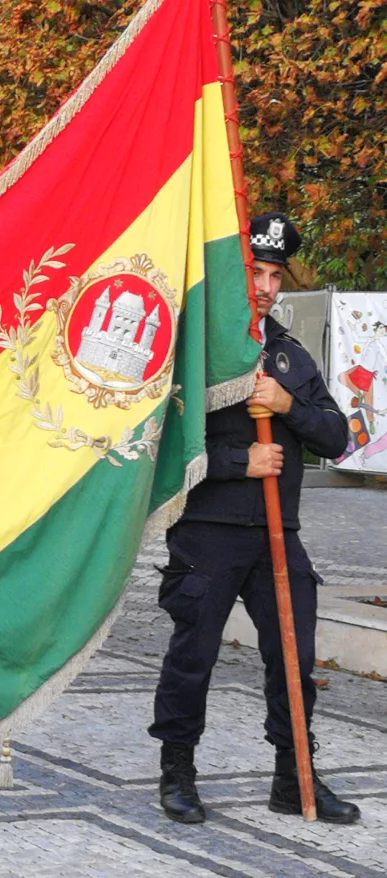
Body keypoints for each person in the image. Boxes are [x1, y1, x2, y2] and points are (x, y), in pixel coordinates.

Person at [150, 212, 359, 825]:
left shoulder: (289, 357)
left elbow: (336, 436)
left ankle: (294, 779)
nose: (265, 286)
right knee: (194, 655)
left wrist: (286, 403)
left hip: (278, 537)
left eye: (274, 275)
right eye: (253, 272)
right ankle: (177, 771)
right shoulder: (200, 353)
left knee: (294, 657)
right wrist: (242, 461)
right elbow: (165, 446)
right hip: (208, 534)